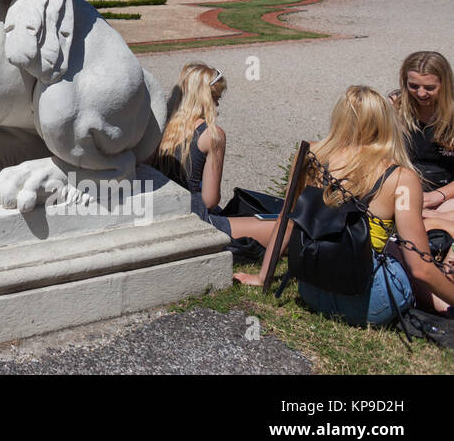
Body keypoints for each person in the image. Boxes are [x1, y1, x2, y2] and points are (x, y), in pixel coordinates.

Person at [248, 86, 454, 324]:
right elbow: (420, 269)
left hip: (312, 289)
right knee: (398, 250)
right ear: (385, 121)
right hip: (369, 303)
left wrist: (264, 277)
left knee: (393, 249)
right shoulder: (400, 177)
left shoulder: (310, 153)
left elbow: (287, 220)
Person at [152, 62, 277, 246]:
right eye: (216, 98)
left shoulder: (160, 125)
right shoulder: (211, 134)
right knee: (283, 228)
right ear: (207, 98)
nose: (217, 104)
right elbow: (209, 201)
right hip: (193, 216)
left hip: (161, 210)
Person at [390, 51, 454, 219]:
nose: (421, 93)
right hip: (404, 182)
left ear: (445, 84)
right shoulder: (395, 106)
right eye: (413, 86)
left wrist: (438, 195)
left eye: (430, 88)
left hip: (446, 190)